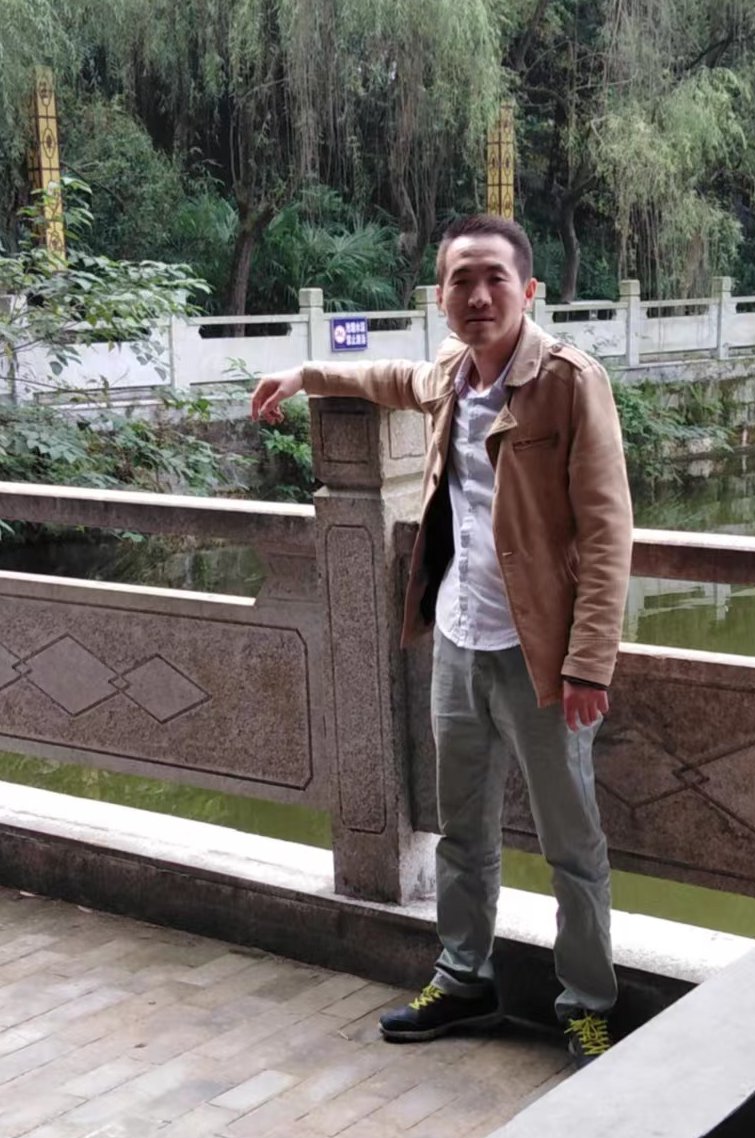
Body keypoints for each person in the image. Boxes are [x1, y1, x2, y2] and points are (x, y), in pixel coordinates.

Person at [251, 214, 633, 1067]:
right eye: (463, 280)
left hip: (543, 660)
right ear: (441, 296)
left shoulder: (570, 382)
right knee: (462, 832)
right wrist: (305, 373)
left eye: (496, 278)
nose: (479, 294)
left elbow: (609, 533)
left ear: (529, 290)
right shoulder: (453, 374)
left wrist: (588, 663)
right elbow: (389, 377)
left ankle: (586, 1002)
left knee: (572, 845)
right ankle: (464, 980)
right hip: (457, 642)